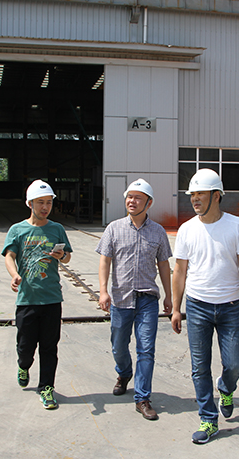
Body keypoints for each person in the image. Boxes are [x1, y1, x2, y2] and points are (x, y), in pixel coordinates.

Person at [171, 168, 239, 444]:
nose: (194, 199)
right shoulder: (187, 229)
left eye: (200, 194)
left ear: (216, 195)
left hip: (230, 307)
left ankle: (226, 388)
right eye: (192, 194)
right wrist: (176, 308)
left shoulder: (236, 225)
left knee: (234, 364)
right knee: (199, 367)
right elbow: (179, 271)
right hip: (198, 307)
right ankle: (208, 419)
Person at [96, 178, 172, 421]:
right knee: (118, 346)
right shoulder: (114, 228)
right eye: (129, 196)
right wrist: (103, 291)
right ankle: (124, 373)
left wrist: (169, 296)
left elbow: (164, 264)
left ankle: (142, 398)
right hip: (121, 299)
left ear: (148, 203)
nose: (132, 201)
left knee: (146, 349)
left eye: (138, 198)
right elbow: (105, 260)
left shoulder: (158, 231)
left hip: (147, 299)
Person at [2, 179, 73, 410]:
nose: (45, 207)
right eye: (40, 202)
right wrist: (15, 275)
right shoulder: (17, 230)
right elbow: (10, 255)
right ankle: (23, 365)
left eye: (49, 202)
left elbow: (67, 257)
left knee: (49, 347)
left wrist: (61, 256)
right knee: (26, 346)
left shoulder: (57, 229)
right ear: (29, 203)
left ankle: (46, 388)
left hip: (52, 298)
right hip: (27, 299)